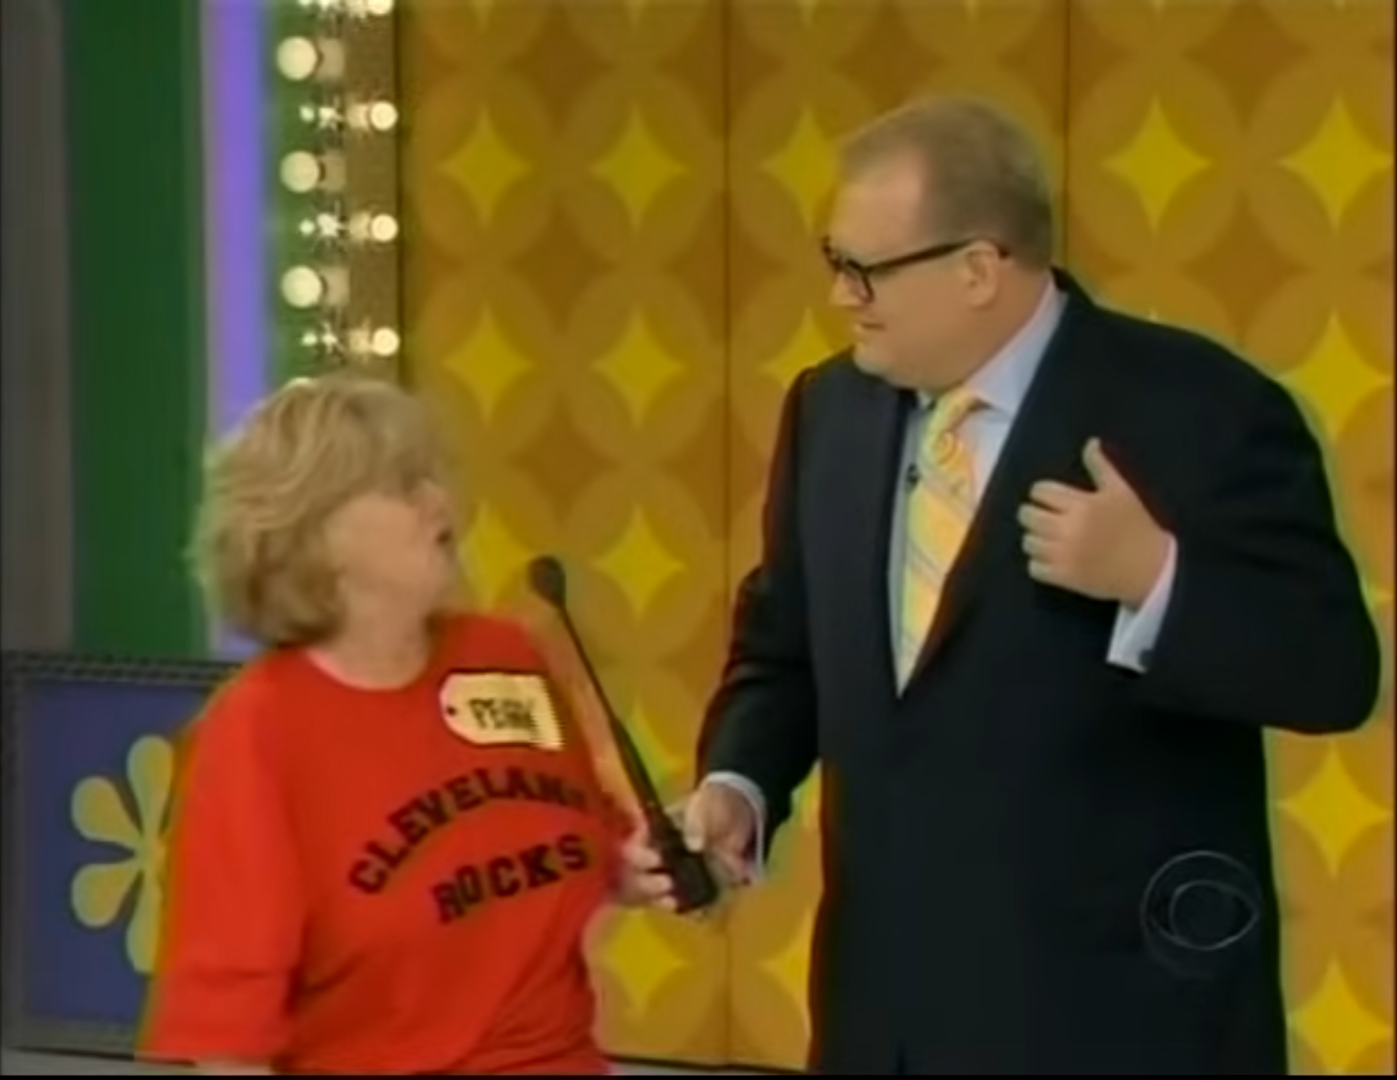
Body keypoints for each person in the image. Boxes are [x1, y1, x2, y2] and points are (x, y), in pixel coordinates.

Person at [674, 95, 1382, 1075]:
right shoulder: (828, 410)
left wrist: (1152, 577)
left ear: (978, 268)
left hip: (1117, 1028)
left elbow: (1330, 671)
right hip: (886, 1025)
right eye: (833, 259)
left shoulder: (1200, 407)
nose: (840, 295)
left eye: (864, 269)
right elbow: (783, 645)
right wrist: (739, 784)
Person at [139, 373, 670, 1076]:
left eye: (431, 476)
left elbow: (590, 844)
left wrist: (642, 864)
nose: (438, 501)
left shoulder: (506, 656)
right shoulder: (256, 731)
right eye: (400, 486)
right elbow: (226, 1035)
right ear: (313, 535)